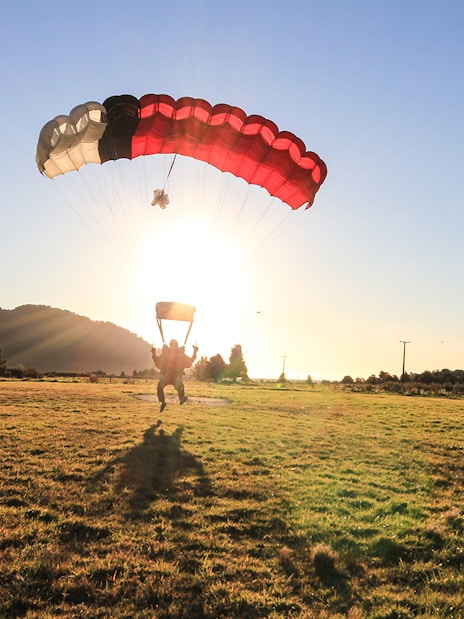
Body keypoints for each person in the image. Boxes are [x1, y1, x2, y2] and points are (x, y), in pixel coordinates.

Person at [151, 340, 198, 412]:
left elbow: (158, 362)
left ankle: (176, 399)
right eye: (173, 345)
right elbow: (190, 361)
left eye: (174, 345)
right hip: (174, 376)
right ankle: (172, 399)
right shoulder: (180, 354)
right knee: (178, 385)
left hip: (169, 375)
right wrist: (195, 351)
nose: (173, 347)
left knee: (173, 385)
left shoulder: (168, 353)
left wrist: (153, 352)